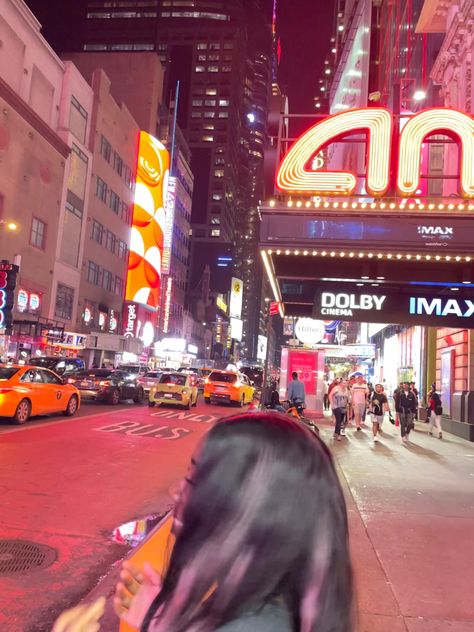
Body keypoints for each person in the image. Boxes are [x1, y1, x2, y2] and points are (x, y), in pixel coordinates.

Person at [53, 413, 355, 632]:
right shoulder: (274, 605)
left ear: (246, 506)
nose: (178, 491)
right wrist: (160, 618)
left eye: (195, 478)